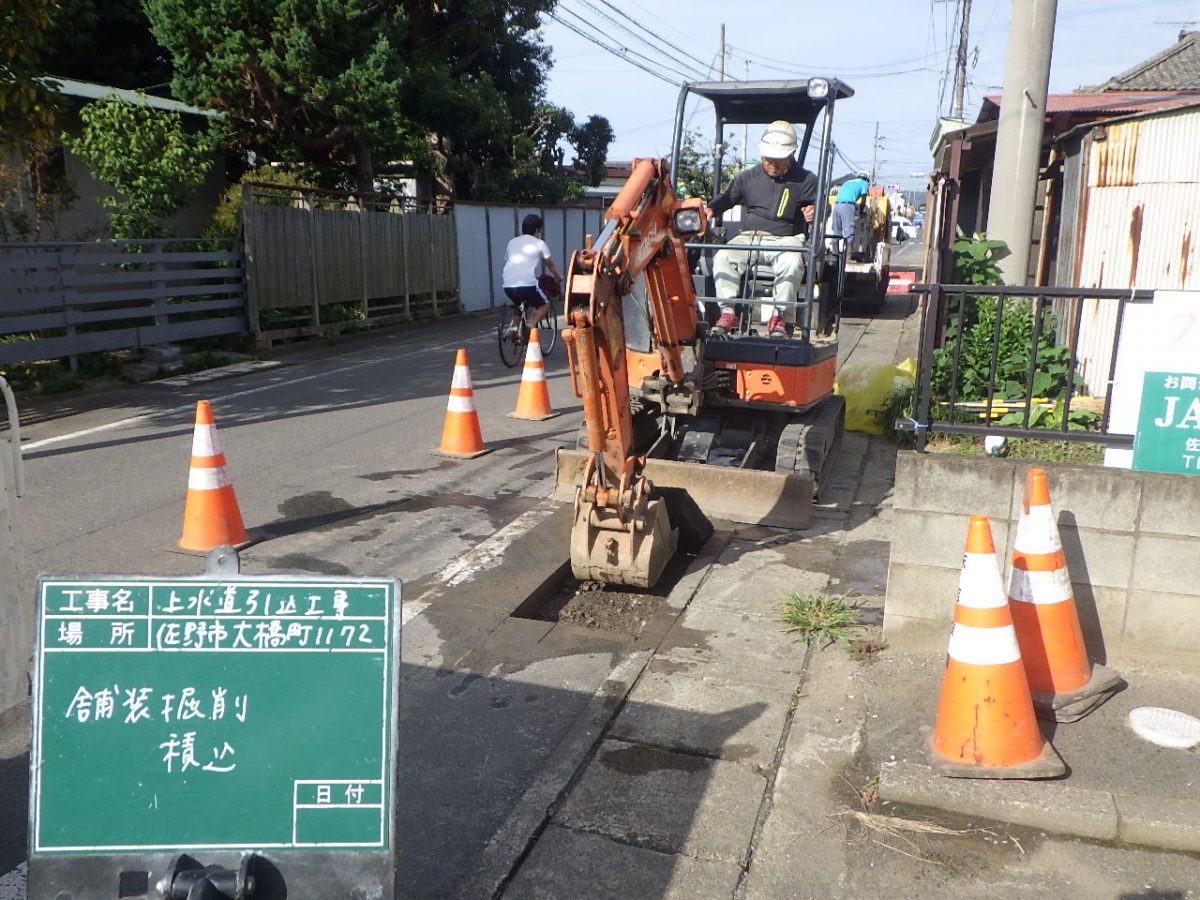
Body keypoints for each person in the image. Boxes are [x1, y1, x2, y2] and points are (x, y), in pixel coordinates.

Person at [706, 120, 818, 338]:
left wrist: (815, 210)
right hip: (749, 237)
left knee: (793, 261)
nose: (773, 165)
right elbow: (726, 199)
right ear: (761, 155)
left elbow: (822, 206)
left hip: (787, 238)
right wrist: (710, 210)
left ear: (791, 155)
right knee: (723, 256)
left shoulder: (806, 180)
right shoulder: (746, 177)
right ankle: (728, 313)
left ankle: (779, 317)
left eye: (779, 160)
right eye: (768, 160)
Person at [502, 213, 562, 334]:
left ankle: (516, 329)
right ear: (537, 230)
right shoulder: (539, 243)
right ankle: (530, 326)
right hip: (527, 285)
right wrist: (558, 276)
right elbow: (549, 263)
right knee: (545, 304)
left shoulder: (512, 242)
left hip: (507, 285)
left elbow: (510, 262)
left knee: (519, 306)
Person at [833, 171, 870, 247]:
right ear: (867, 179)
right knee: (849, 232)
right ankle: (848, 257)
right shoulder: (864, 183)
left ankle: (835, 255)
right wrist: (862, 210)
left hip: (836, 205)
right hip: (848, 205)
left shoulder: (847, 182)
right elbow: (863, 198)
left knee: (836, 232)